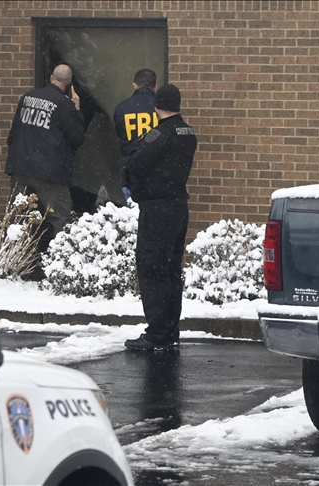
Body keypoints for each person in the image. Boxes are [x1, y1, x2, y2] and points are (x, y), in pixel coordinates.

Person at [122, 84, 197, 351]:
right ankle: (170, 329)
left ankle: (156, 333)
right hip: (178, 207)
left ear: (157, 105)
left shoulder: (159, 135)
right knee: (171, 270)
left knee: (152, 269)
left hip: (157, 210)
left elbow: (135, 163)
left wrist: (132, 180)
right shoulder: (188, 132)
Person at [5, 64, 86, 279]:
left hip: (21, 169)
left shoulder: (27, 98)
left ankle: (14, 266)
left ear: (51, 78)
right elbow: (78, 138)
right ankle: (61, 271)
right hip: (50, 174)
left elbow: (12, 135)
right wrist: (77, 110)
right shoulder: (64, 105)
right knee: (60, 220)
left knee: (18, 220)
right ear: (69, 84)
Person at [114, 69, 158, 200]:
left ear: (135, 85)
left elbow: (120, 133)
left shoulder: (122, 108)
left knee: (131, 209)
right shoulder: (161, 108)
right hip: (156, 170)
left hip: (130, 170)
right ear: (155, 86)